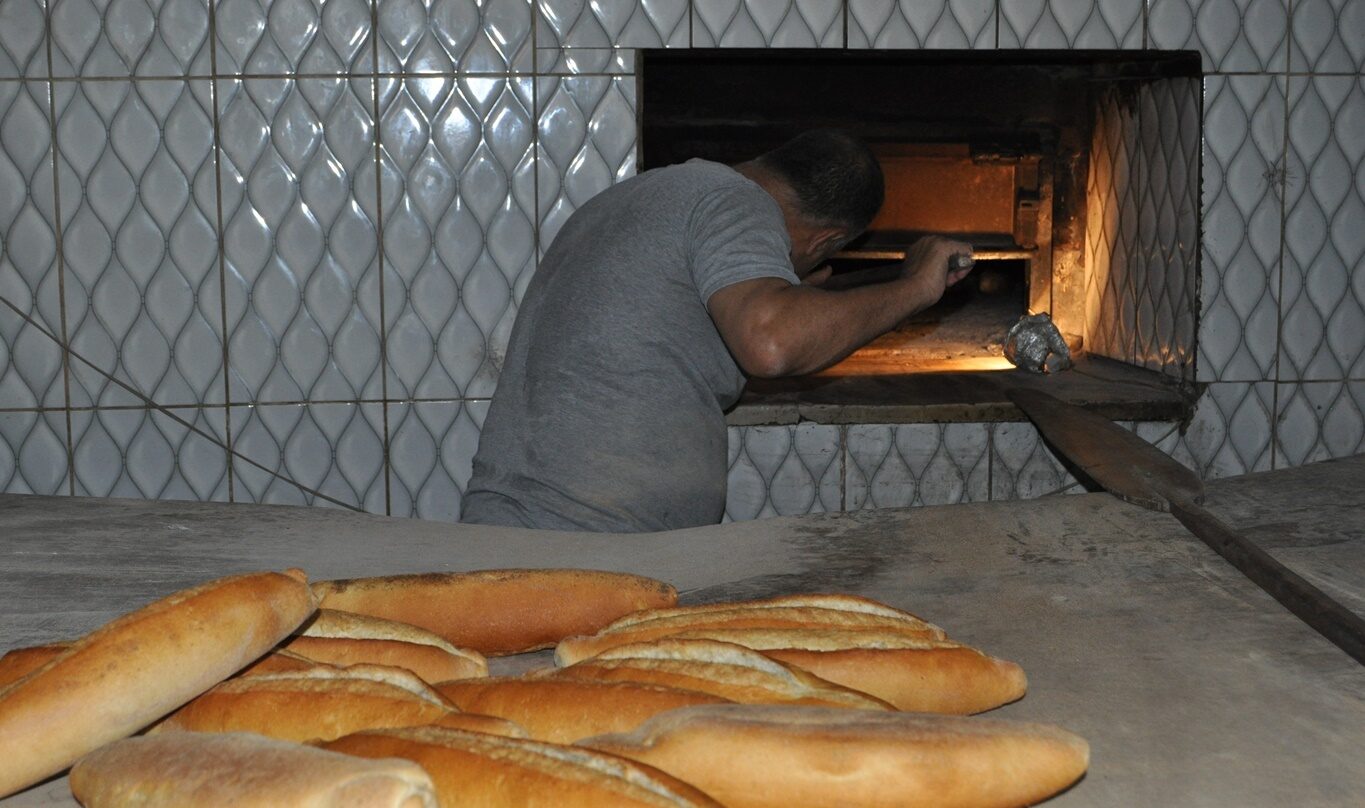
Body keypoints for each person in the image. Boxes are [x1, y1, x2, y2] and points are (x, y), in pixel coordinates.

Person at [460, 130, 973, 533]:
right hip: (590, 540)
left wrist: (796, 293)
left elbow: (666, 343)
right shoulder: (739, 205)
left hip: (515, 526)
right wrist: (917, 288)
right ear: (827, 240)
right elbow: (772, 345)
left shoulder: (640, 195)